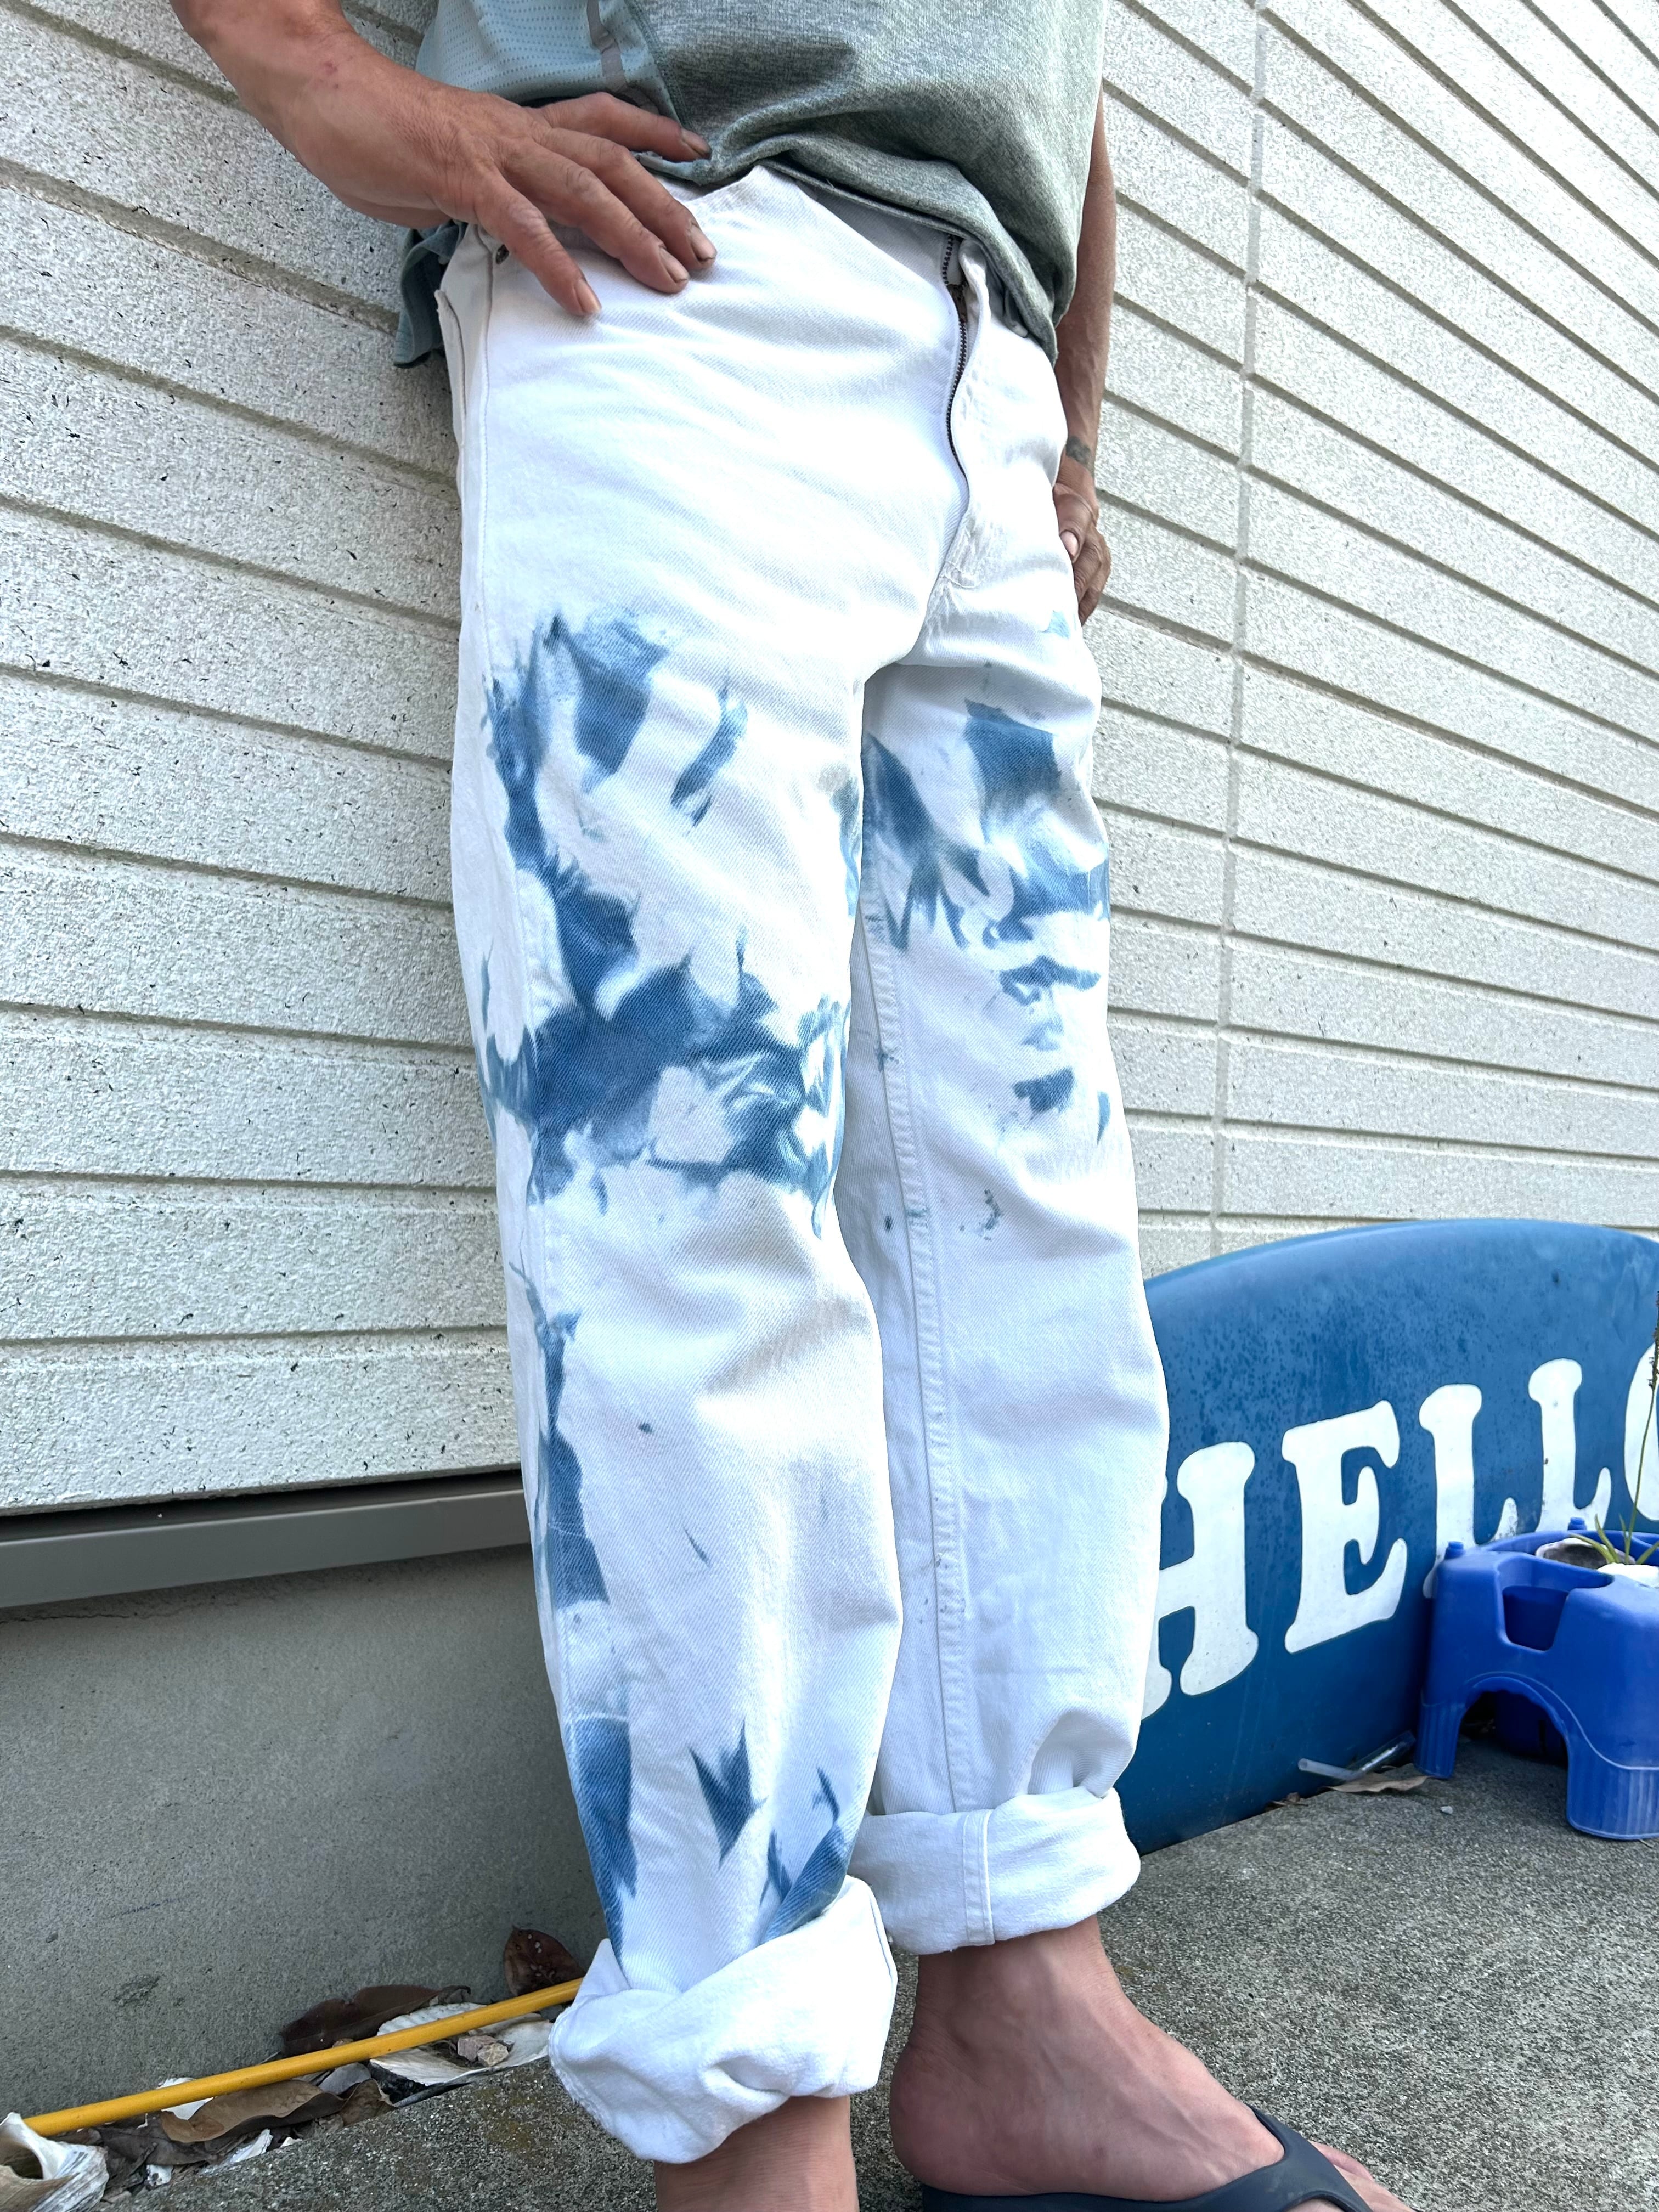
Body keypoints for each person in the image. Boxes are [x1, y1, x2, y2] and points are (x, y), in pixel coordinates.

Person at [172, 7, 1410, 2209]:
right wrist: (327, 81)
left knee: (1023, 1208)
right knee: (687, 1190)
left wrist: (1070, 411)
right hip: (678, 269)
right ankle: (751, 2119)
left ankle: (1028, 2005)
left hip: (986, 372)